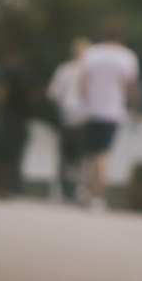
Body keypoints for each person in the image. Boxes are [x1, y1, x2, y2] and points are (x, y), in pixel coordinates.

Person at [76, 22, 141, 211]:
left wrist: (86, 99)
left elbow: (83, 82)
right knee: (103, 155)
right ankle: (98, 195)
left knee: (91, 153)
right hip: (112, 111)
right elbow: (131, 86)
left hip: (92, 109)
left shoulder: (92, 53)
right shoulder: (127, 56)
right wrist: (134, 106)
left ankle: (87, 189)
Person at [47, 37, 91, 204]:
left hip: (66, 116)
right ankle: (77, 189)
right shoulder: (89, 72)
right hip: (84, 118)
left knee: (64, 155)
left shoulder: (64, 69)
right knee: (81, 157)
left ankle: (60, 189)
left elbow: (53, 94)